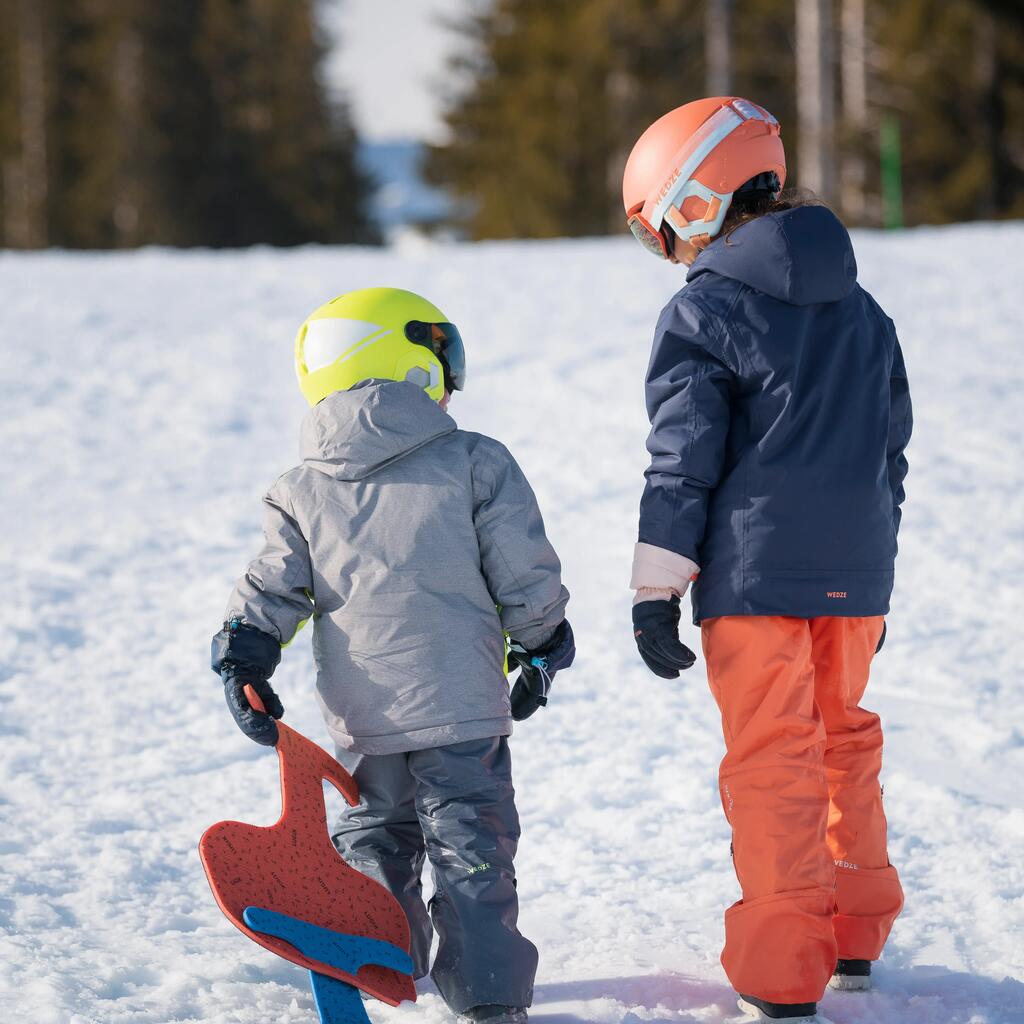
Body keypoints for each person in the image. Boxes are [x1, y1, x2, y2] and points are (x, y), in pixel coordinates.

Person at [210, 287, 574, 1024]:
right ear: (405, 362)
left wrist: (244, 658)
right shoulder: (475, 461)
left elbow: (271, 587)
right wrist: (541, 644)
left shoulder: (300, 489)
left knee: (376, 834)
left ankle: (385, 959)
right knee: (470, 841)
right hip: (463, 708)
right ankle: (490, 991)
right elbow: (523, 572)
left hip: (362, 713)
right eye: (440, 353)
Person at [622, 97, 911, 1023]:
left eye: (667, 233)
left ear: (696, 201)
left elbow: (684, 457)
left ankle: (785, 962)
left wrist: (657, 587)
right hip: (855, 572)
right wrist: (875, 574)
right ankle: (857, 928)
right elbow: (888, 449)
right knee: (844, 736)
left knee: (774, 754)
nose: (675, 255)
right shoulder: (863, 308)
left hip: (754, 580)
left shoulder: (704, 309)